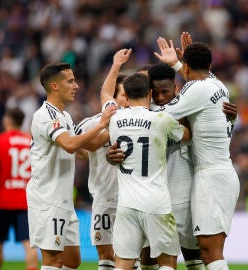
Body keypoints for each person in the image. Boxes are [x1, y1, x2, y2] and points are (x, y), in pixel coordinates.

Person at [100, 49, 191, 270]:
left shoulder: (114, 116)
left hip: (127, 203)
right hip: (156, 202)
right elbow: (187, 135)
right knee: (167, 261)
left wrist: (116, 65)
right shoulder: (161, 119)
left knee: (123, 263)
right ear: (150, 93)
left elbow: (105, 94)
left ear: (126, 97)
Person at [154, 36, 240, 270]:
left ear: (188, 67)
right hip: (221, 174)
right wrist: (177, 64)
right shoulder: (218, 85)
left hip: (211, 177)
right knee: (207, 251)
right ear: (210, 66)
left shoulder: (195, 89)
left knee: (211, 253)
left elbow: (161, 117)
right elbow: (196, 77)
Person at [26, 62, 116, 270]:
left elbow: (85, 147)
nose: (76, 86)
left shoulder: (64, 116)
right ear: (55, 86)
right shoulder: (46, 115)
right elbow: (69, 145)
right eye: (70, 81)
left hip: (64, 200)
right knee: (53, 260)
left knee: (73, 261)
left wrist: (115, 131)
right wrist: (101, 124)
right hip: (48, 199)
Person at [138, 62, 203, 270]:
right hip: (154, 193)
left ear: (176, 88)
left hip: (185, 189)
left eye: (164, 92)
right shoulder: (148, 114)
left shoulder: (190, 107)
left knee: (194, 254)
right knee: (150, 257)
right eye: (154, 93)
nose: (159, 98)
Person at [74, 74, 129, 270]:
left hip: (131, 199)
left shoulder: (139, 121)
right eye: (124, 94)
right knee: (106, 255)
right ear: (113, 98)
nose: (128, 99)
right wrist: (93, 154)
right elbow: (75, 148)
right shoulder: (92, 123)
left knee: (133, 256)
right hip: (105, 198)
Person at [0, 108, 38, 270]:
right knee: (29, 244)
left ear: (7, 121)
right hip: (25, 201)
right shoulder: (31, 142)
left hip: (1, 201)